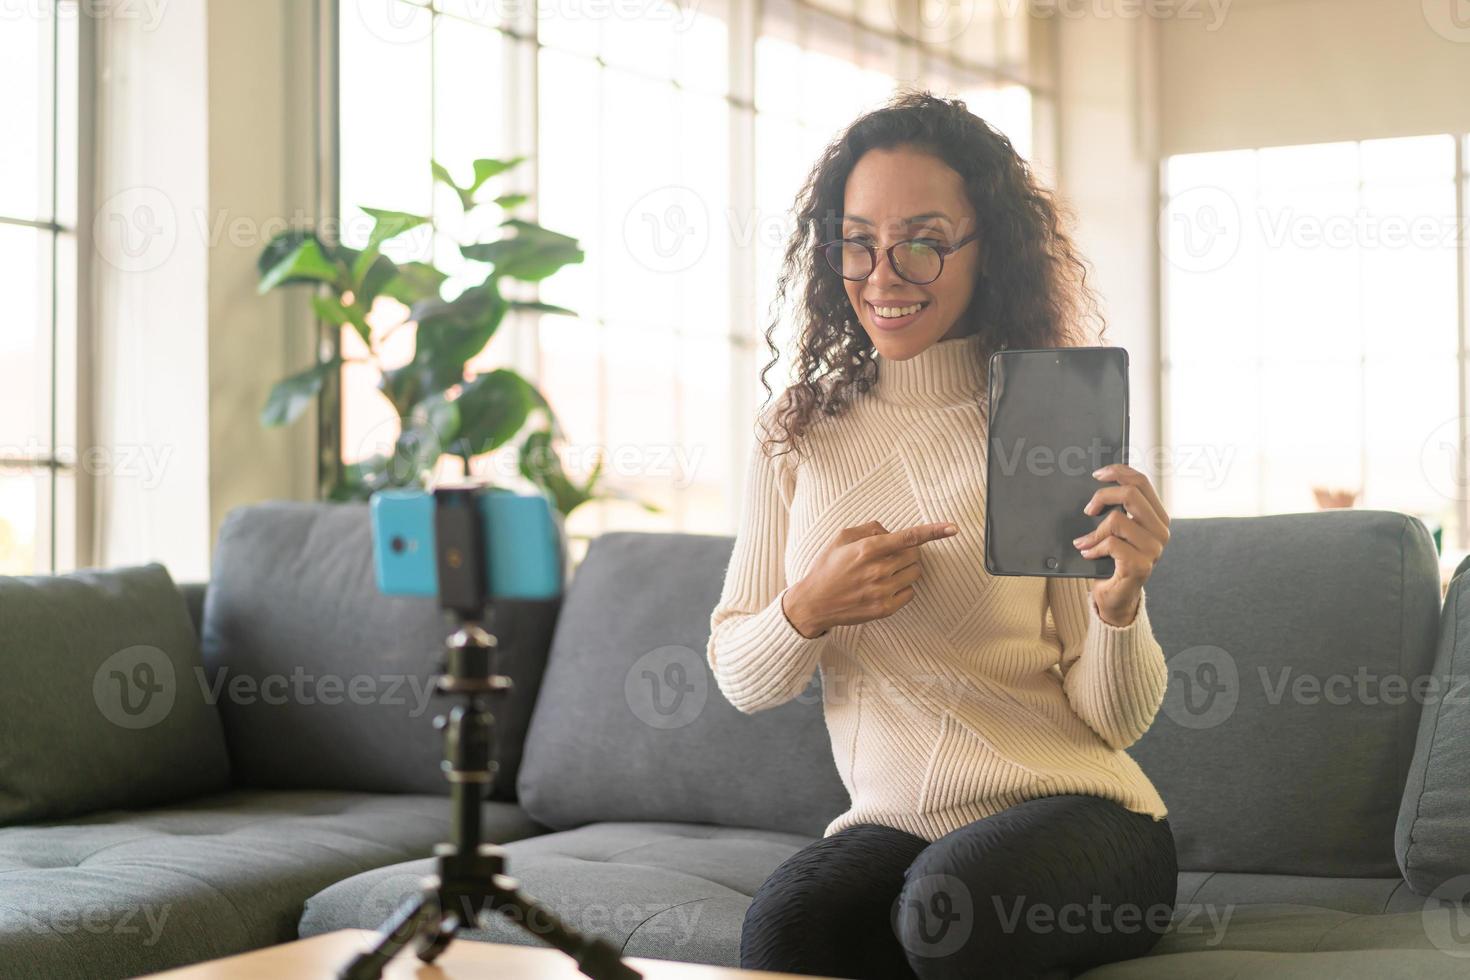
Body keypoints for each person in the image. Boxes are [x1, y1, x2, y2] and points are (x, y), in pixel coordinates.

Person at [705, 89, 1178, 980]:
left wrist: (1121, 604)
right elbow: (739, 673)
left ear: (985, 249)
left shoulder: (1047, 422)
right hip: (895, 823)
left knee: (946, 910)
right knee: (787, 933)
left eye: (923, 242)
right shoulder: (796, 430)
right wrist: (807, 608)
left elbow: (1114, 721)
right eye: (859, 241)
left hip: (1081, 815)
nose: (885, 274)